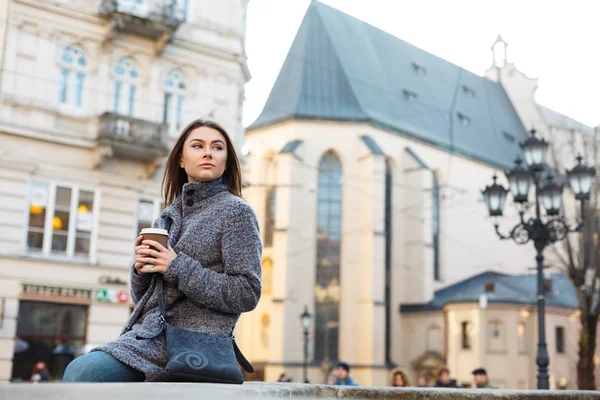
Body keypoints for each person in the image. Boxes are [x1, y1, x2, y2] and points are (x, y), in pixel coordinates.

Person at [62, 120, 262, 382]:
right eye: (197, 145)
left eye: (217, 147)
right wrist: (141, 267)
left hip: (193, 344)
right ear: (181, 159)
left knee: (86, 372)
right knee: (79, 369)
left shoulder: (237, 212)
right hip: (148, 338)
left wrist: (175, 266)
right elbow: (145, 298)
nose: (207, 152)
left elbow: (246, 292)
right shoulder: (167, 217)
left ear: (227, 161)